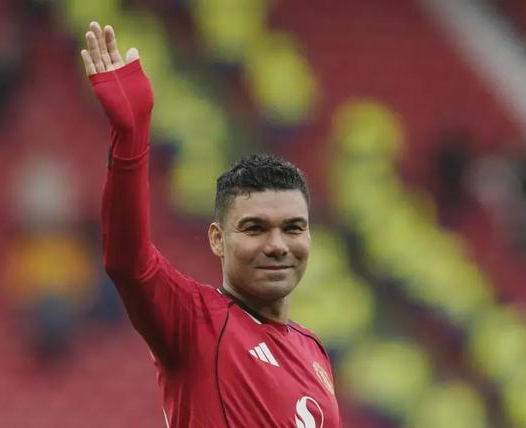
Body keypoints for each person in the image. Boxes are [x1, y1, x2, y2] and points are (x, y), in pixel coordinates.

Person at [81, 21, 341, 427]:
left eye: (293, 228)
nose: (277, 245)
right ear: (218, 239)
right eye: (255, 228)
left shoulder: (314, 352)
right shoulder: (195, 322)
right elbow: (128, 262)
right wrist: (130, 136)